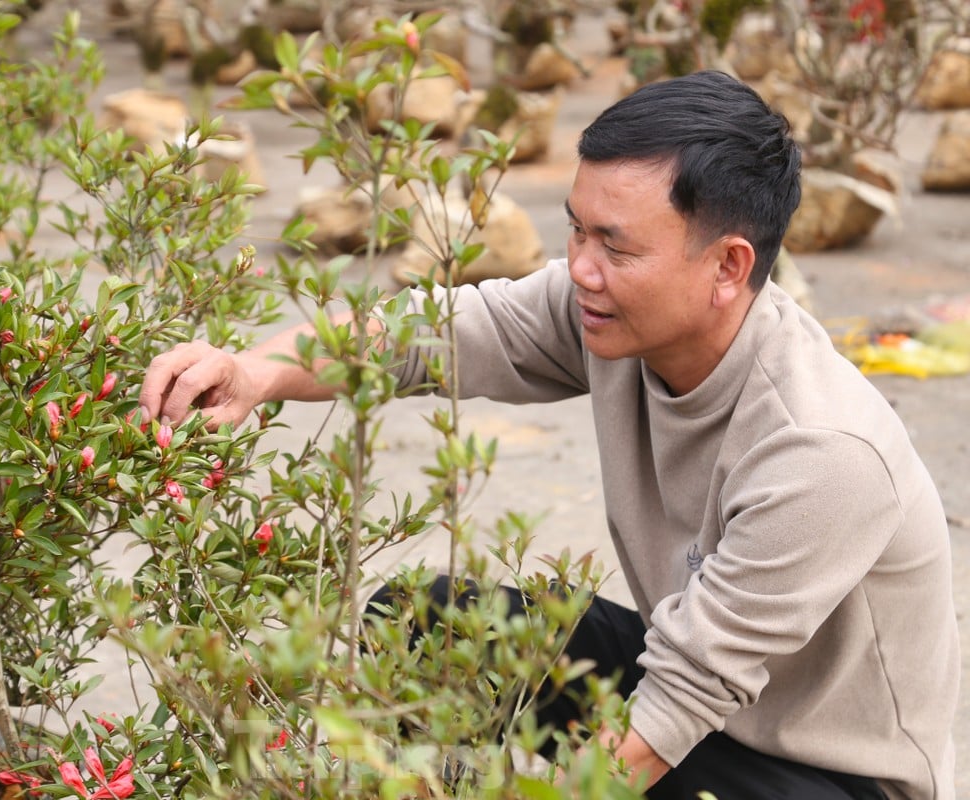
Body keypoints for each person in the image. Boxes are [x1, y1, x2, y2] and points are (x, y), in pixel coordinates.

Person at [139, 71, 958, 799]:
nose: (583, 268)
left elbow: (673, 710)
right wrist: (256, 371)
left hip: (829, 770)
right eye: (577, 231)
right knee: (431, 622)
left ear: (729, 266)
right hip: (695, 683)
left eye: (616, 245)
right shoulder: (603, 311)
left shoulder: (820, 450)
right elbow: (425, 332)